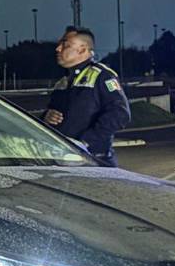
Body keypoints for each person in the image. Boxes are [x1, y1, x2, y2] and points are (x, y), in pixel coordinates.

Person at [43, 27, 130, 166]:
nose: (58, 49)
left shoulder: (102, 76)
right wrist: (46, 117)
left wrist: (85, 142)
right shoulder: (63, 82)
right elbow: (54, 114)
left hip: (94, 161)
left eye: (65, 45)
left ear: (82, 50)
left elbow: (120, 114)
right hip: (64, 159)